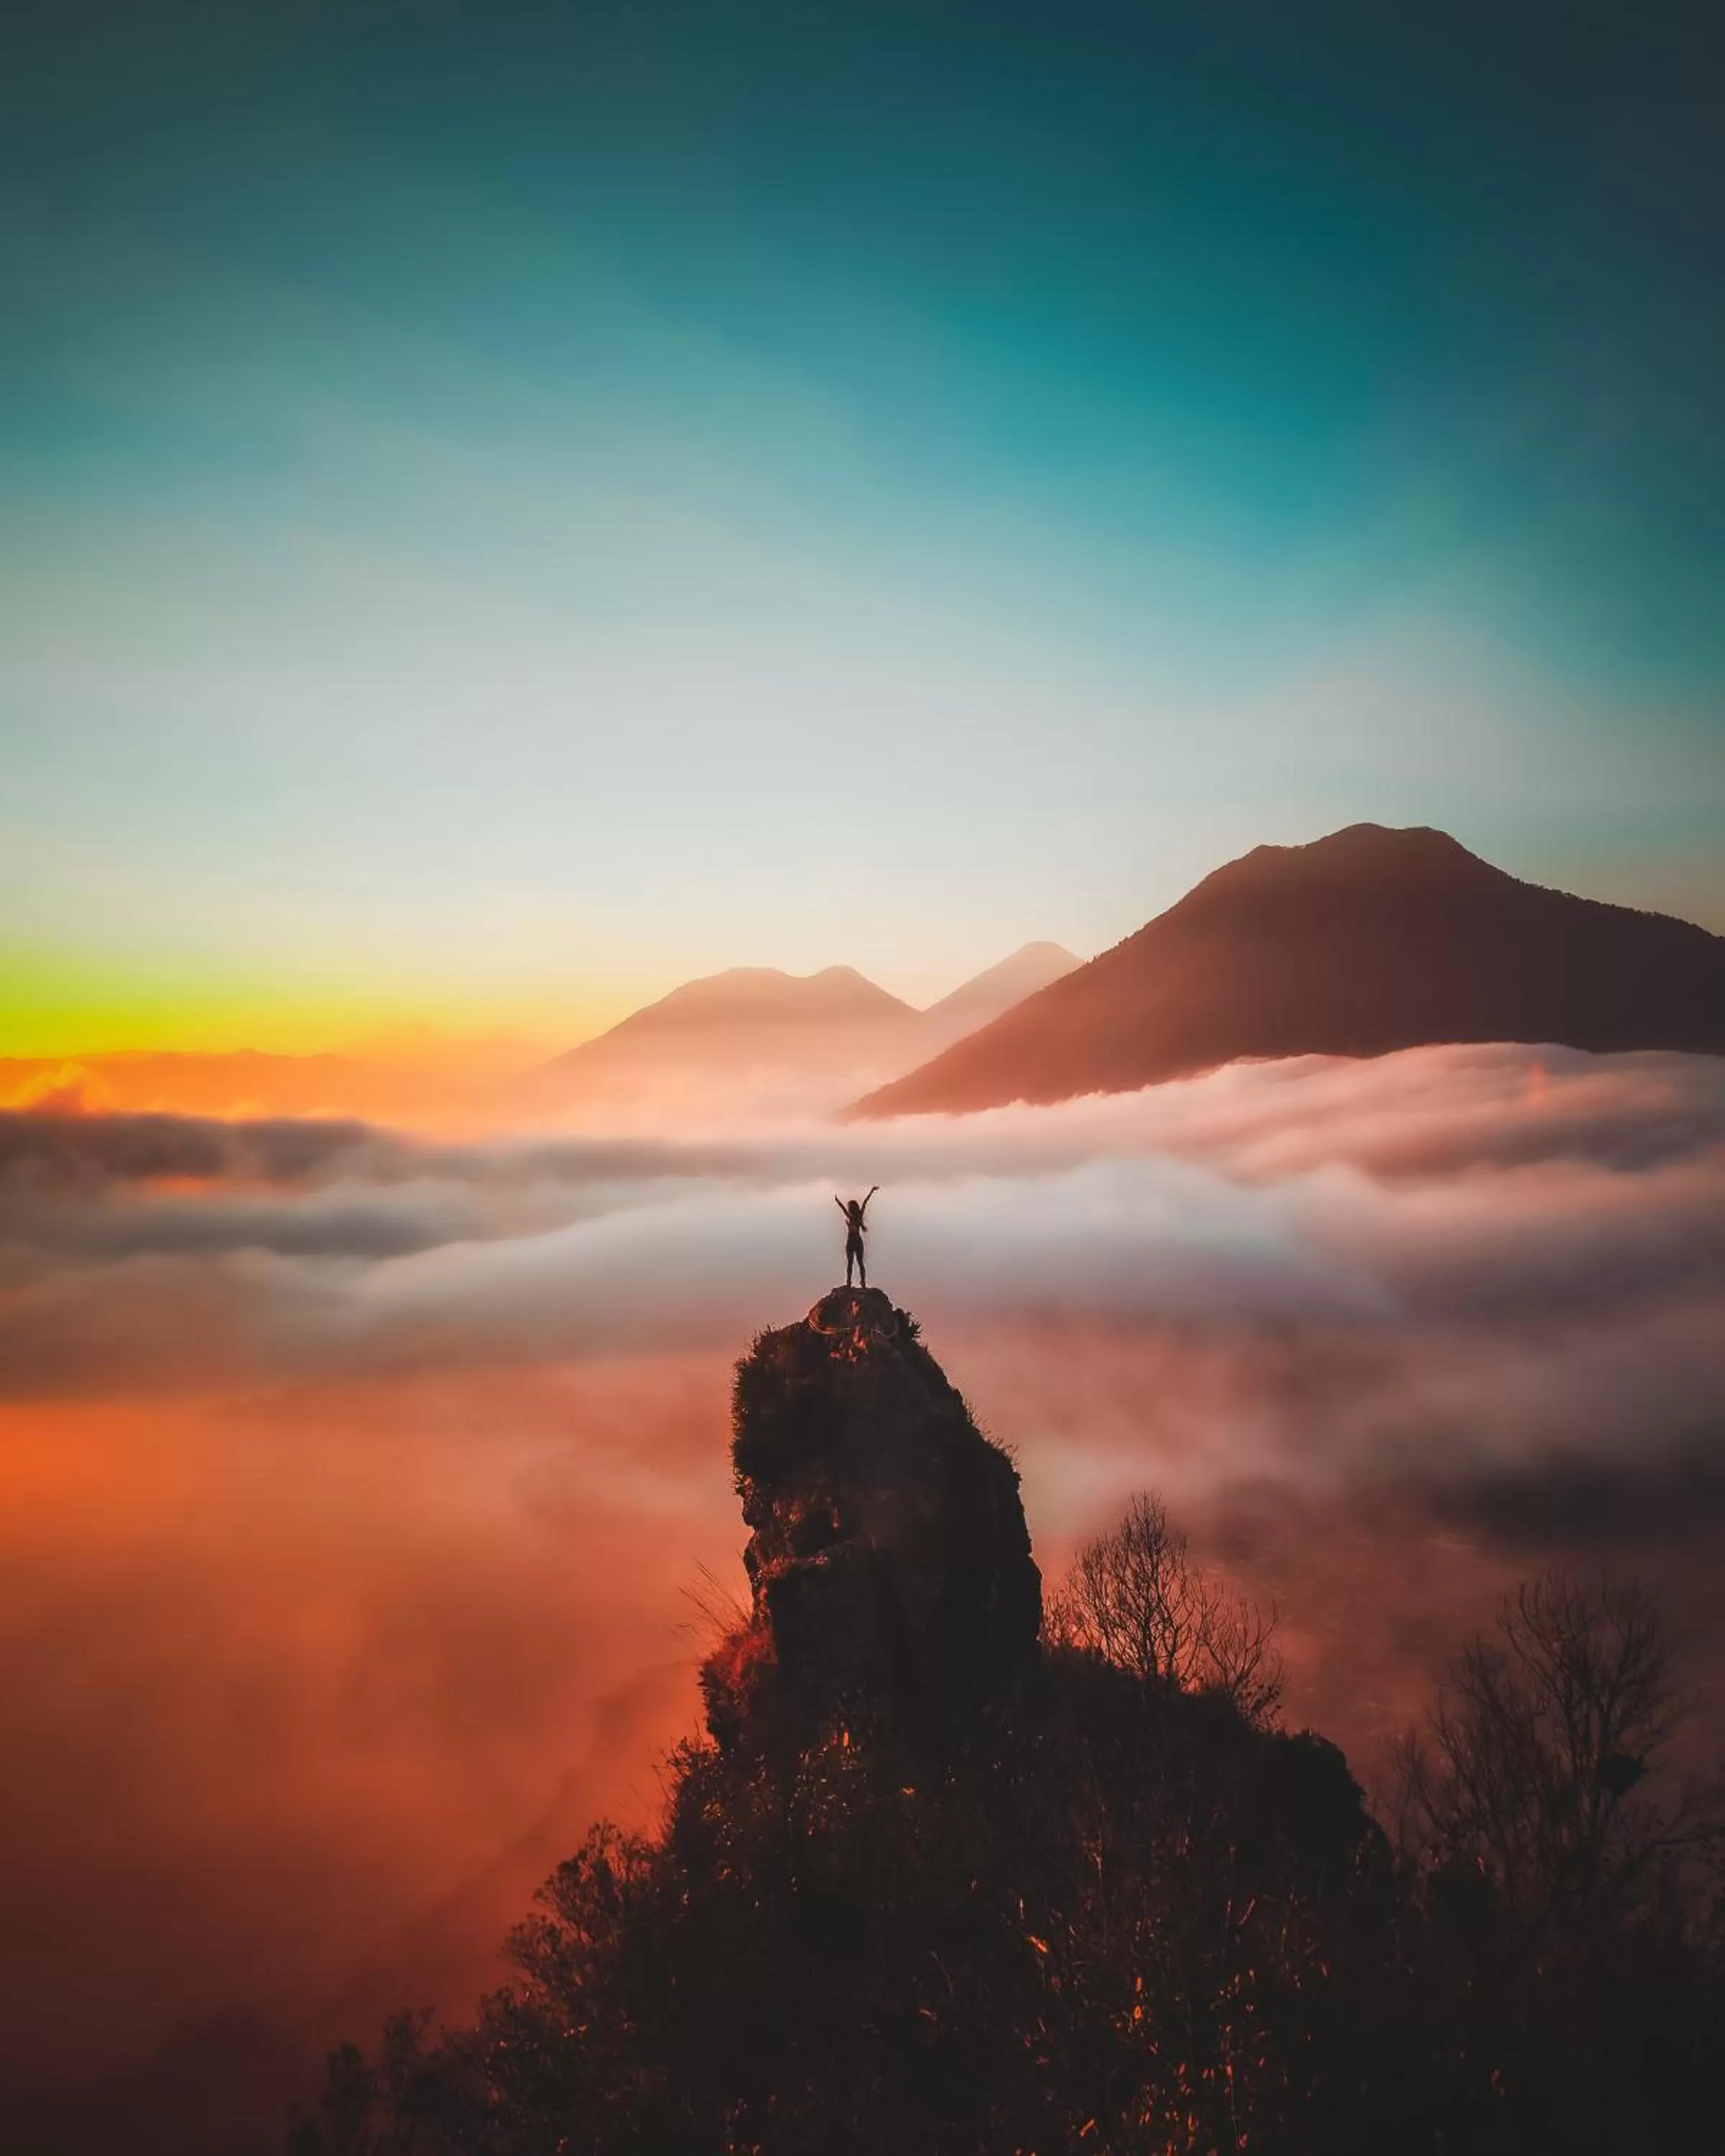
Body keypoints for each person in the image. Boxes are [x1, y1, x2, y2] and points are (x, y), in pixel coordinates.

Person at [834, 1187, 878, 1289]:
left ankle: (853, 1283)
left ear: (851, 1208)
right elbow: (865, 1203)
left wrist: (837, 1201)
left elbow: (843, 1208)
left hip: (853, 1242)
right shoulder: (856, 1217)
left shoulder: (853, 1217)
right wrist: (871, 1192)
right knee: (859, 1263)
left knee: (853, 1263)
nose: (848, 1209)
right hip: (856, 1241)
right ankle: (860, 1283)